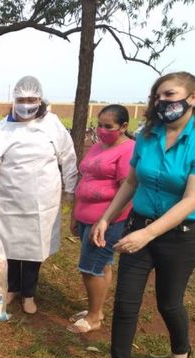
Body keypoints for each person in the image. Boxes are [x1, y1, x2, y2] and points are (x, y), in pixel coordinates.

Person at [92, 72, 195, 358]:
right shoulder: (148, 136)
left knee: (168, 301)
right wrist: (106, 218)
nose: (163, 102)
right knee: (125, 304)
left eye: (170, 95)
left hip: (179, 236)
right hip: (139, 226)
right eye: (157, 97)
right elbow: (131, 183)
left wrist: (147, 234)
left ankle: (181, 348)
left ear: (193, 97)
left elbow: (193, 199)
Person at [0, 76, 78, 314]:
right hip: (11, 198)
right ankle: (12, 287)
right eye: (21, 99)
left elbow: (68, 157)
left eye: (31, 99)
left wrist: (71, 188)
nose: (26, 104)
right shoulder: (4, 127)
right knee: (10, 245)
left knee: (34, 247)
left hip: (42, 200)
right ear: (14, 100)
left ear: (40, 100)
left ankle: (29, 293)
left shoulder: (52, 124)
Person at [67, 105, 135, 333]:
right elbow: (84, 178)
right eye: (100, 125)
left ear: (124, 126)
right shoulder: (97, 147)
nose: (103, 130)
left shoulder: (128, 150)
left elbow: (127, 190)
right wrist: (76, 213)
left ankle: (94, 317)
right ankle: (96, 310)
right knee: (102, 265)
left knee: (90, 268)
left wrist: (105, 220)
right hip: (86, 216)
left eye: (109, 126)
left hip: (108, 221)